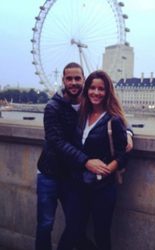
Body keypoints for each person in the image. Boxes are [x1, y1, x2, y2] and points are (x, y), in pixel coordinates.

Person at [35, 62, 133, 250]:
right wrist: (86, 162)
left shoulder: (86, 106)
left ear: (83, 80)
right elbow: (57, 142)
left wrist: (128, 132)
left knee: (82, 229)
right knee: (47, 224)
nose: (73, 82)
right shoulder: (53, 108)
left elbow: (117, 119)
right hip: (51, 173)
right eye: (69, 78)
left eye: (77, 78)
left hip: (79, 179)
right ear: (63, 80)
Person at [77, 70, 129, 250]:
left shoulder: (112, 120)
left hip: (102, 188)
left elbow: (123, 155)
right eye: (92, 88)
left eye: (101, 89)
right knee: (76, 232)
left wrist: (107, 169)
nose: (96, 93)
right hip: (79, 185)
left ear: (108, 92)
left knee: (101, 234)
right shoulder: (81, 116)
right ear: (87, 90)